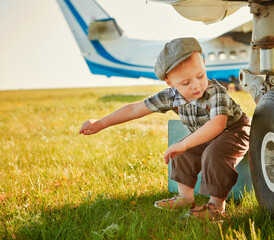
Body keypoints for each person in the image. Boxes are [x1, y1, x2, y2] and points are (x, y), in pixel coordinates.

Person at [79, 37, 251, 221]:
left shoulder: (215, 92)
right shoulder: (171, 97)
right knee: (182, 152)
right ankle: (186, 198)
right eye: (185, 83)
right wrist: (101, 123)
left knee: (213, 153)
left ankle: (216, 206)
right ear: (171, 83)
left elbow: (218, 124)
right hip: (206, 135)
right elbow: (136, 109)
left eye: (200, 75)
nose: (196, 85)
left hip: (235, 131)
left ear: (204, 64)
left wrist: (185, 144)